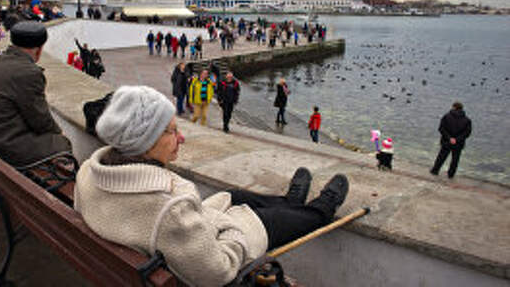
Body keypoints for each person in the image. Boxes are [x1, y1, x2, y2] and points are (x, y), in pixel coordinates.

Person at [73, 85, 350, 287]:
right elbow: (218, 271)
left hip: (171, 238)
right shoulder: (171, 211)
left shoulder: (89, 171)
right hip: (216, 245)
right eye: (171, 131)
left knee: (234, 195)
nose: (181, 138)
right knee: (270, 219)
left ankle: (291, 202)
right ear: (145, 145)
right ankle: (322, 208)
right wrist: (232, 227)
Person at [0, 21, 73, 168]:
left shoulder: (1, 60)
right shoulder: (28, 73)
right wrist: (59, 134)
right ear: (39, 49)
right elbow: (40, 120)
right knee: (60, 143)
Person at [430, 102, 472, 178]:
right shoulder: (467, 120)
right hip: (458, 143)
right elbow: (467, 133)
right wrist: (456, 139)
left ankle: (435, 170)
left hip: (446, 141)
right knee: (455, 160)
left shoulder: (446, 116)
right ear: (462, 109)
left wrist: (449, 138)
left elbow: (441, 129)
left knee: (441, 156)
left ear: (453, 107)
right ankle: (451, 174)